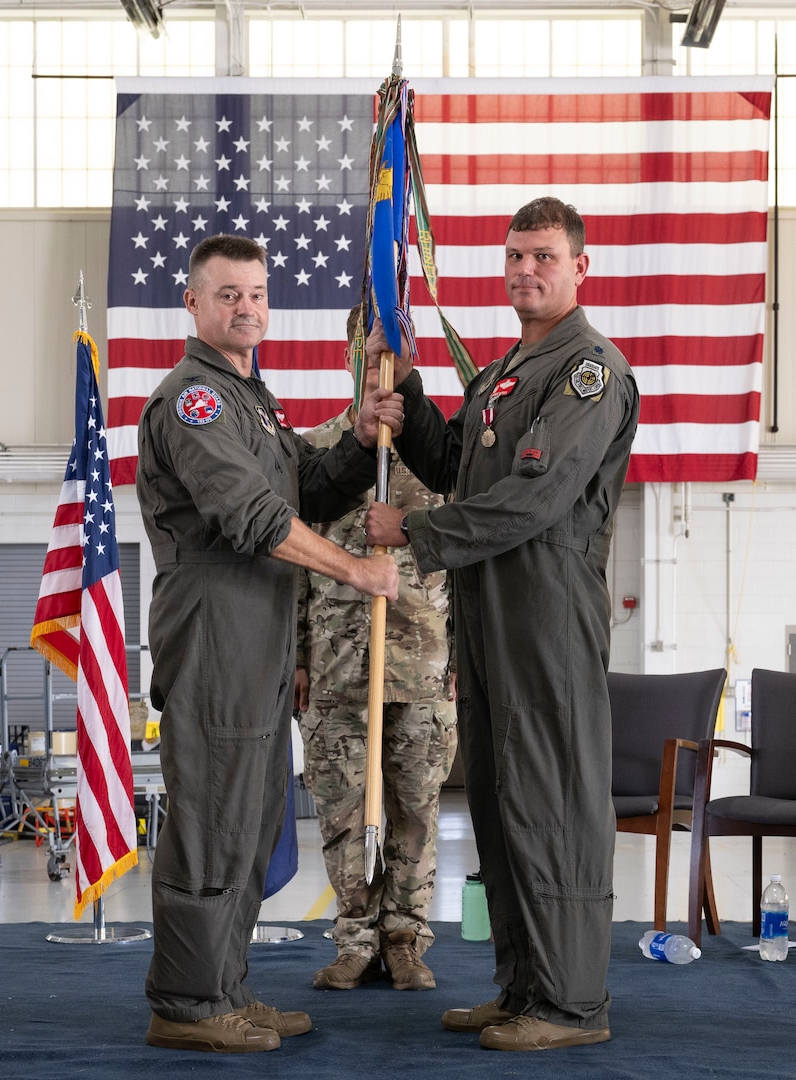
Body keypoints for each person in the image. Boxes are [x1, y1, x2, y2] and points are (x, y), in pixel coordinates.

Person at [364, 196, 639, 1052]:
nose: (525, 270)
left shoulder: (587, 369)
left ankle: (570, 1004)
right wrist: (405, 383)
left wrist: (410, 530)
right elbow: (454, 466)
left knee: (551, 802)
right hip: (487, 610)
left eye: (544, 257)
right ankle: (523, 987)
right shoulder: (502, 373)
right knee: (499, 801)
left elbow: (533, 498)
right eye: (515, 255)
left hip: (546, 614)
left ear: (580, 268)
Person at [136, 234, 402, 1055]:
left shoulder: (254, 400)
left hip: (256, 639)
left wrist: (359, 443)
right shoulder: (196, 401)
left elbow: (306, 491)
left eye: (256, 293)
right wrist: (355, 571)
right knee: (213, 818)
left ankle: (223, 988)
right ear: (192, 303)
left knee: (249, 821)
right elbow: (251, 518)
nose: (246, 307)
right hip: (215, 632)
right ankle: (185, 1002)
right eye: (228, 294)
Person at [294, 304, 458, 994]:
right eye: (371, 349)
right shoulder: (317, 450)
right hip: (336, 670)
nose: (381, 361)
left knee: (417, 816)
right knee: (341, 818)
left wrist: (466, 662)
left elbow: (475, 559)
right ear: (349, 355)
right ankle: (355, 939)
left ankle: (405, 941)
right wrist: (297, 658)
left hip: (421, 670)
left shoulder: (441, 449)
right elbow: (290, 567)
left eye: (395, 349)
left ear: (413, 356)